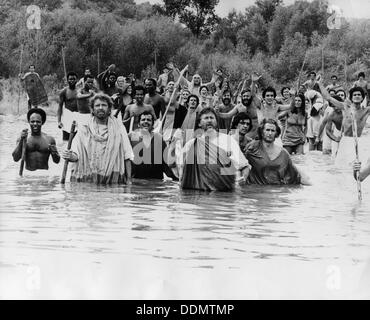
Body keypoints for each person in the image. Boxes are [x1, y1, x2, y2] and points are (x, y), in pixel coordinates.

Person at [62, 93, 134, 184]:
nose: (100, 108)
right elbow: (76, 154)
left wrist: (129, 180)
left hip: (112, 178)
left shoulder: (119, 127)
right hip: (88, 178)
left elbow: (127, 154)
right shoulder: (85, 128)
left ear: (109, 109)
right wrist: (70, 156)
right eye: (97, 105)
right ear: (92, 109)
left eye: (104, 105)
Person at [179, 108, 251, 191]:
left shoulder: (228, 141)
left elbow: (245, 166)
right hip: (199, 193)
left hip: (224, 194)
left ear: (216, 122)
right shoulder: (191, 144)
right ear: (199, 123)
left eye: (212, 118)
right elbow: (181, 170)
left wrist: (243, 179)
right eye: (206, 118)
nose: (209, 120)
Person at [317, 76, 370, 167]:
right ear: (351, 97)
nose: (357, 96)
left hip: (359, 141)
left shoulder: (366, 110)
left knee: (356, 169)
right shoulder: (345, 107)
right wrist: (320, 84)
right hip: (345, 141)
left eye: (359, 95)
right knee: (340, 168)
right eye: (355, 95)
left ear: (362, 98)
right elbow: (328, 98)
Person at [244, 118, 309, 185]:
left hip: (276, 190)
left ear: (276, 133)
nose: (270, 133)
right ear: (262, 132)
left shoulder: (283, 154)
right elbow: (240, 163)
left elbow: (294, 173)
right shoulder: (252, 148)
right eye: (267, 130)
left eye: (272, 131)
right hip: (256, 190)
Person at [129, 112, 178, 180]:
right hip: (135, 181)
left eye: (148, 120)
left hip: (155, 182)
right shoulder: (131, 137)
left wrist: (175, 179)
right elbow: (125, 159)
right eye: (143, 119)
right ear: (138, 124)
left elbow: (165, 163)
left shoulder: (159, 138)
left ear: (153, 124)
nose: (146, 121)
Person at [58, 72, 79, 141]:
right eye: (70, 79)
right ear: (67, 80)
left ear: (77, 80)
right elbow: (60, 106)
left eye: (73, 79)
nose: (72, 81)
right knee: (66, 138)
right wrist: (59, 121)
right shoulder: (64, 91)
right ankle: (65, 151)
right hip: (67, 115)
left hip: (77, 115)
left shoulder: (80, 91)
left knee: (76, 138)